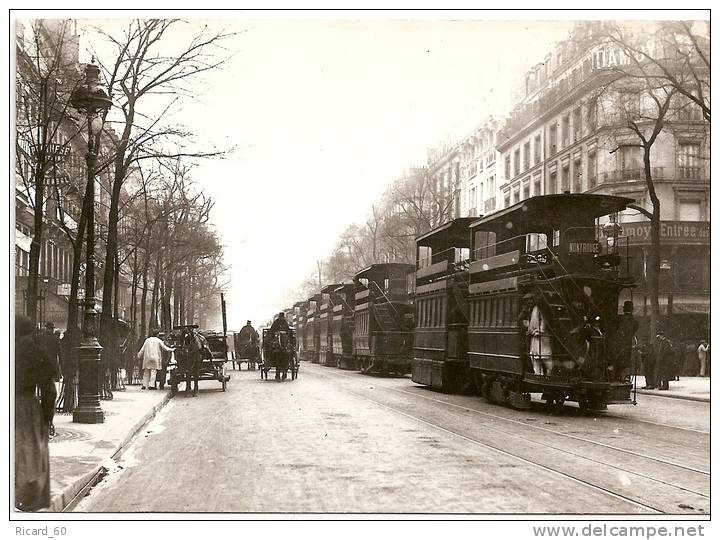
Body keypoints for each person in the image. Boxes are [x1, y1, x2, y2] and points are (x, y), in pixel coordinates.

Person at [15, 316, 58, 511]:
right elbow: (49, 388)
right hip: (25, 406)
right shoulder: (34, 352)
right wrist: (47, 416)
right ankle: (27, 498)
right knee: (30, 453)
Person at [612, 301, 639, 382]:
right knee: (625, 365)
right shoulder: (635, 322)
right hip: (627, 346)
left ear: (624, 309)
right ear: (632, 309)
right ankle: (623, 379)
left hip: (617, 345)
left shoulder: (619, 319)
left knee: (616, 363)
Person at [527, 299, 552, 375]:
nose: (529, 302)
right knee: (534, 356)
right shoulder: (530, 309)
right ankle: (538, 373)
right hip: (534, 336)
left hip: (542, 336)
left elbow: (543, 320)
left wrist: (541, 330)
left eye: (530, 300)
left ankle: (548, 374)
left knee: (545, 356)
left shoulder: (538, 309)